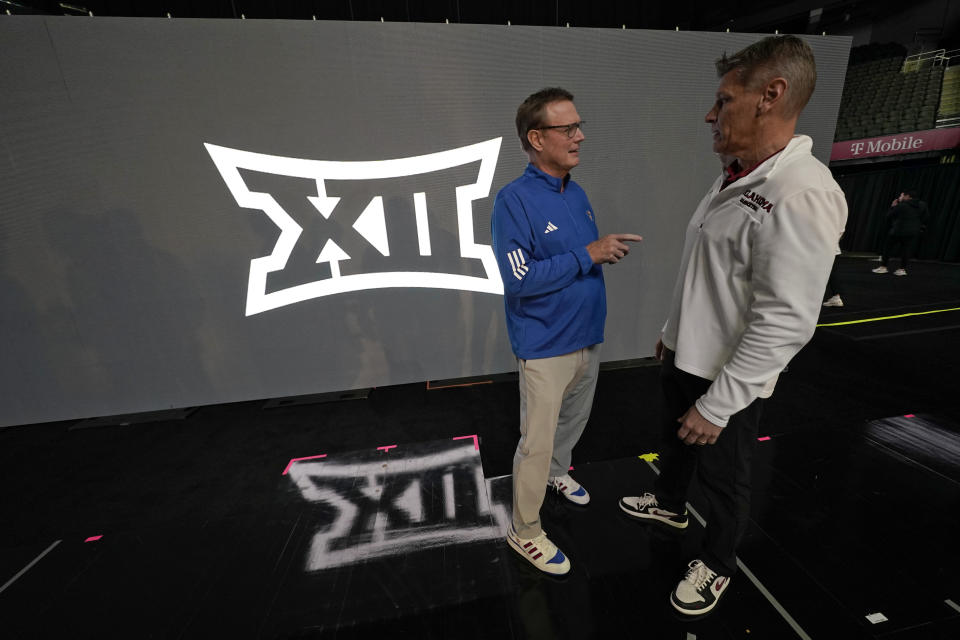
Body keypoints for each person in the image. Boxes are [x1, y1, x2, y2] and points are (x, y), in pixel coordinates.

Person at [618, 36, 847, 615]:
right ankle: (669, 505)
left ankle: (717, 564)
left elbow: (786, 322)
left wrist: (719, 405)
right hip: (686, 355)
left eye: (723, 100)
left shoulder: (802, 193)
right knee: (674, 446)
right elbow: (708, 273)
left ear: (770, 96)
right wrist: (673, 332)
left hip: (727, 379)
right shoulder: (737, 174)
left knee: (724, 478)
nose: (709, 114)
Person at [492, 87, 642, 575]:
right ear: (536, 138)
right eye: (568, 128)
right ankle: (525, 530)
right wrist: (589, 255)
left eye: (579, 126)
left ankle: (558, 473)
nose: (581, 136)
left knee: (571, 427)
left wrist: (598, 253)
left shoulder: (576, 192)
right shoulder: (513, 201)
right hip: (544, 346)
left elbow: (575, 262)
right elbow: (519, 280)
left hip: (587, 339)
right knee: (535, 441)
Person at [872, 190, 929, 276]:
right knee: (906, 250)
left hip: (898, 230)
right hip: (913, 231)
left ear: (907, 196)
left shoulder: (902, 205)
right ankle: (902, 270)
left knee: (888, 248)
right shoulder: (922, 205)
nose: (899, 197)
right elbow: (926, 217)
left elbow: (889, 216)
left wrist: (893, 206)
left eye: (901, 196)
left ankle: (883, 267)